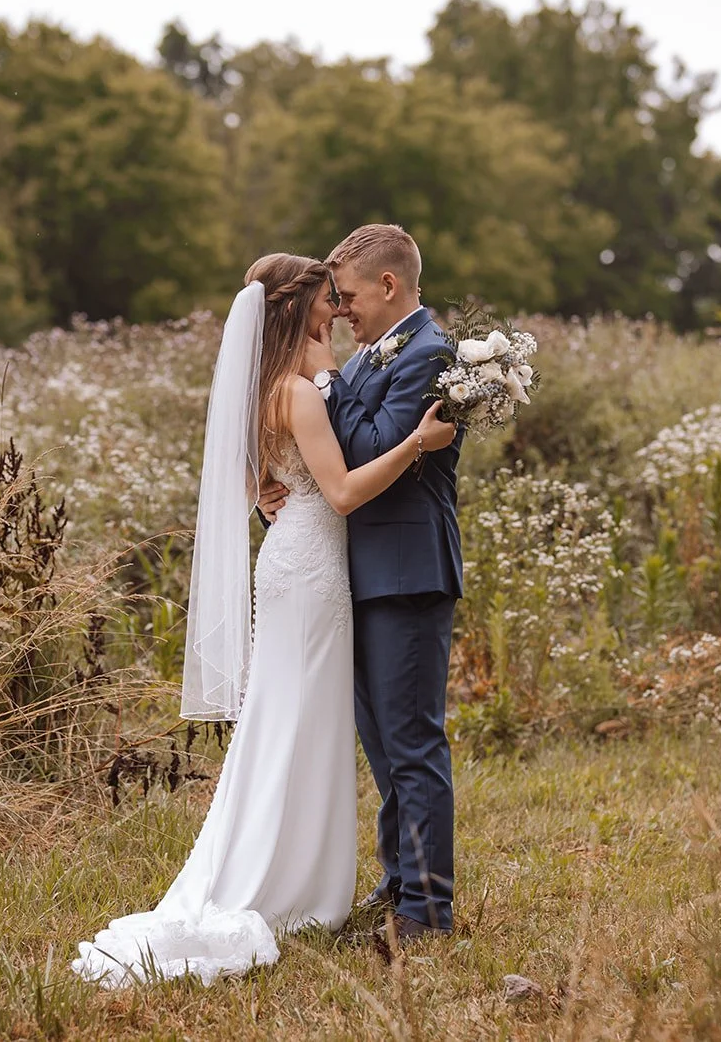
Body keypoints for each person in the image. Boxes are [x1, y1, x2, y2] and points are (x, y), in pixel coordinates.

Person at [72, 253, 457, 987]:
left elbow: (246, 469)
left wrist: (267, 493)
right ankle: (296, 879)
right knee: (295, 719)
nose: (338, 311)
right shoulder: (300, 389)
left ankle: (318, 871)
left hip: (295, 559)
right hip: (312, 565)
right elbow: (341, 492)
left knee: (290, 716)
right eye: (327, 299)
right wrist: (416, 443)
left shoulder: (271, 381)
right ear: (300, 306)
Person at [259, 224, 463, 941]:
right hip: (359, 574)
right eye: (333, 301)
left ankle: (428, 912)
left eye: (347, 297)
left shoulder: (431, 354)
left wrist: (325, 377)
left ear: (389, 285)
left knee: (413, 742)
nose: (340, 311)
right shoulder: (376, 355)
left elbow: (372, 449)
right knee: (382, 743)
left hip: (407, 573)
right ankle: (399, 881)